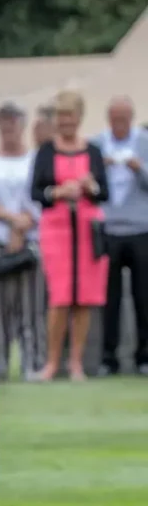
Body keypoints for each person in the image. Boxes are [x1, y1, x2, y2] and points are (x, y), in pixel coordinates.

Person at [30, 90, 109, 381]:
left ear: (79, 118)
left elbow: (105, 192)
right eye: (61, 116)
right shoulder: (46, 151)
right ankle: (52, 363)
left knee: (84, 298)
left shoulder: (94, 151)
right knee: (60, 297)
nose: (65, 122)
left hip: (88, 230)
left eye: (70, 116)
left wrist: (91, 187)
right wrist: (59, 192)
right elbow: (36, 191)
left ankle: (77, 363)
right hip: (57, 228)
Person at [0, 102, 45, 381]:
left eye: (14, 122)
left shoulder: (35, 159)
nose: (9, 128)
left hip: (29, 239)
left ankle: (34, 362)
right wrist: (12, 221)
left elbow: (38, 196)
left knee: (30, 305)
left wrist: (22, 225)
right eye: (4, 123)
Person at [94, 96, 148, 376]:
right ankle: (108, 357)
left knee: (143, 296)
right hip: (109, 230)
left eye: (124, 119)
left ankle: (143, 356)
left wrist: (138, 168)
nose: (119, 124)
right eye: (115, 119)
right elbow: (90, 183)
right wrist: (100, 166)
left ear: (131, 117)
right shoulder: (97, 144)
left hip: (141, 230)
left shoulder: (144, 141)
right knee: (109, 297)